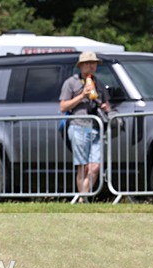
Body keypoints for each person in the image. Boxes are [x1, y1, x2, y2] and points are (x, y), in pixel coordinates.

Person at [59, 51, 111, 202]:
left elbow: (107, 103)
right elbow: (63, 107)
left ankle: (83, 198)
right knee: (82, 166)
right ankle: (84, 199)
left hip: (96, 127)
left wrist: (105, 107)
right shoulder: (71, 83)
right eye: (88, 63)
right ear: (81, 66)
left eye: (94, 63)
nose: (92, 66)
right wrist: (82, 96)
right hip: (78, 126)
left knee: (95, 166)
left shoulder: (99, 83)